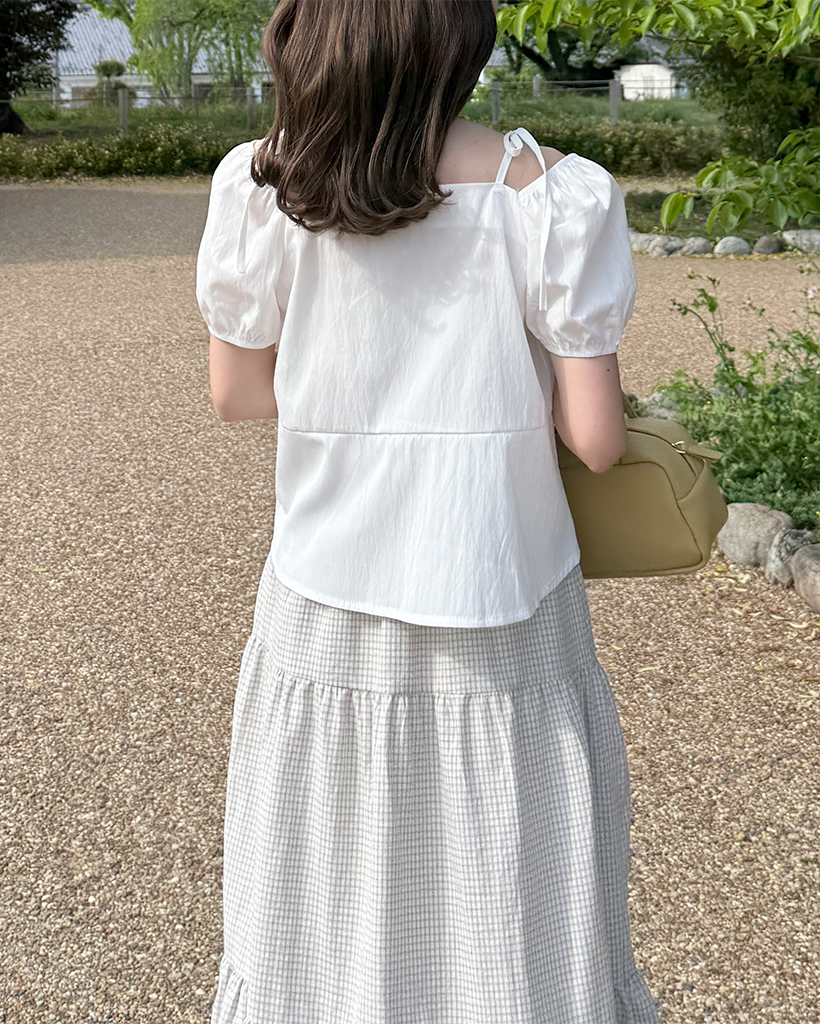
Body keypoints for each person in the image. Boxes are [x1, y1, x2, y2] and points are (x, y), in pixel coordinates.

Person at [195, 1, 661, 1021]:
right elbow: (595, 438)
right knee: (509, 882)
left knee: (327, 882)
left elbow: (237, 394)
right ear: (458, 42)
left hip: (324, 602)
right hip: (503, 602)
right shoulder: (548, 194)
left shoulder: (266, 183)